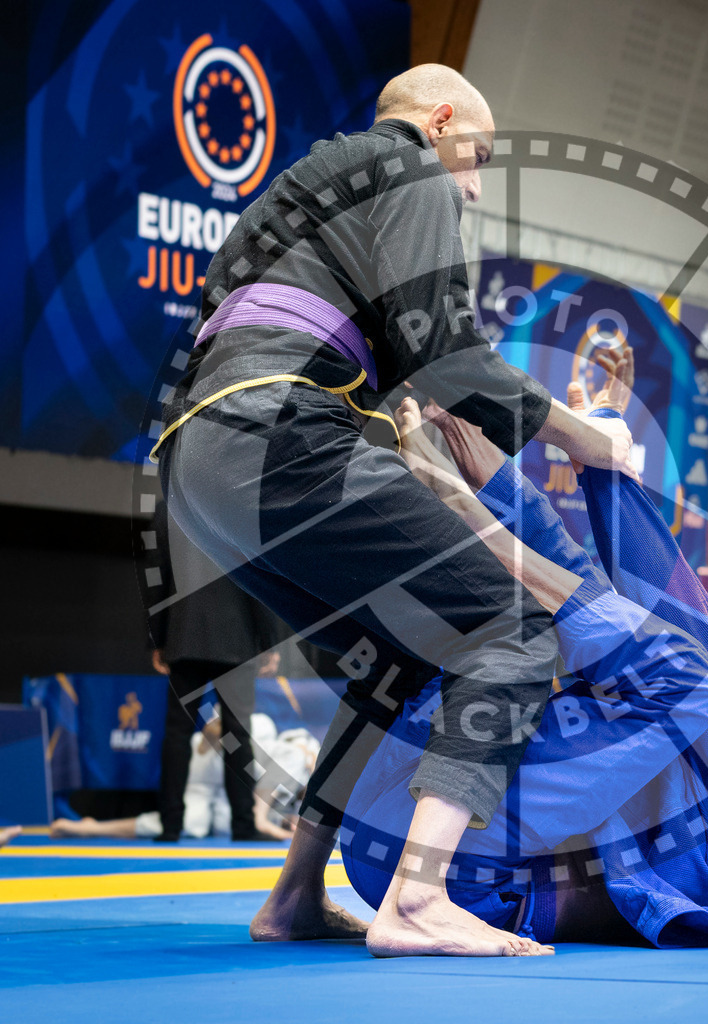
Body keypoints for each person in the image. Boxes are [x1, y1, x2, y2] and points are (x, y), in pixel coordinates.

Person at [149, 64, 633, 957]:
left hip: (196, 468)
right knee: (513, 628)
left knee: (395, 659)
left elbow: (398, 365)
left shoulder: (294, 196)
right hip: (279, 436)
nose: (477, 185)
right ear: (440, 121)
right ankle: (416, 901)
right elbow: (447, 355)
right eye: (477, 157)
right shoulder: (407, 167)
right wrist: (582, 437)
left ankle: (291, 897)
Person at [336, 349, 708, 948]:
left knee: (683, 669)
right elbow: (574, 574)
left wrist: (597, 457)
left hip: (472, 880)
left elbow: (682, 615)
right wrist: (495, 448)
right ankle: (293, 896)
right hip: (399, 830)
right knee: (554, 616)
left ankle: (470, 527)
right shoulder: (701, 735)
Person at [149, 500, 284, 842]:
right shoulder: (240, 504)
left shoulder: (169, 507)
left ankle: (170, 826)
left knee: (177, 733)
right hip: (235, 637)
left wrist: (159, 638)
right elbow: (259, 574)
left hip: (184, 634)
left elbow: (157, 574)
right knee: (238, 734)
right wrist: (269, 641)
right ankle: (243, 824)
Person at [50, 713, 311, 842]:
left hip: (235, 789)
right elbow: (298, 751)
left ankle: (92, 827)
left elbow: (293, 805)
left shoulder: (296, 805)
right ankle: (258, 818)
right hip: (229, 758)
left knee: (198, 823)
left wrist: (288, 819)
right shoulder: (298, 751)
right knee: (289, 752)